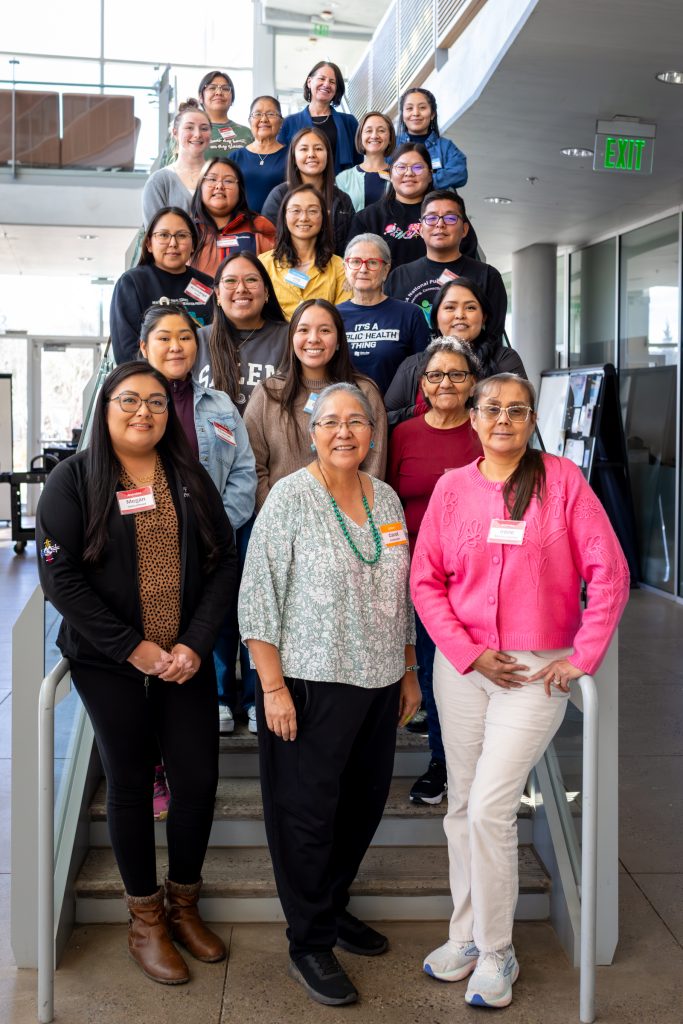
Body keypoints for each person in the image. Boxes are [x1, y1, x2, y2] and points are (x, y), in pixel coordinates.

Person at [411, 373, 630, 1009]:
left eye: (517, 409)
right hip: (465, 668)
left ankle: (499, 950)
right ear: (472, 418)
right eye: (492, 409)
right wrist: (469, 652)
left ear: (532, 419)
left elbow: (609, 574)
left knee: (489, 808)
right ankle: (468, 938)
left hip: (536, 672)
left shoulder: (562, 481)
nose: (503, 419)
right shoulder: (453, 488)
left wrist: (581, 657)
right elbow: (426, 582)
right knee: (460, 809)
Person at [35, 361, 237, 985]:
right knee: (127, 782)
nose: (143, 412)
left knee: (197, 781)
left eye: (154, 401)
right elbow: (59, 576)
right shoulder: (72, 481)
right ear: (105, 406)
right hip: (110, 663)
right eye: (129, 400)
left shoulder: (189, 478)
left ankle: (183, 904)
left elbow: (223, 561)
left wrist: (196, 645)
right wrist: (132, 648)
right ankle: (145, 919)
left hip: (184, 662)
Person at [238, 381, 420, 1007]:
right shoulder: (289, 498)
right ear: (312, 432)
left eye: (357, 422)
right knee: (306, 816)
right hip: (309, 684)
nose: (344, 432)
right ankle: (309, 941)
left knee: (362, 807)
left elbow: (400, 595)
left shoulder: (388, 499)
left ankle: (333, 905)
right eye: (330, 422)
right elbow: (257, 598)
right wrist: (273, 689)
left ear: (373, 432)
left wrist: (408, 668)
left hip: (376, 683)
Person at [138, 301, 256, 740]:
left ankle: (223, 697)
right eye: (164, 338)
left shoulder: (220, 404)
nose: (176, 347)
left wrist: (215, 528)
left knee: (217, 618)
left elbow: (243, 470)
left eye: (185, 337)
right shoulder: (128, 402)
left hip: (212, 541)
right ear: (144, 346)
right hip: (149, 546)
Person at [388, 338, 482, 807]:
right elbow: (383, 499)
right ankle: (441, 762)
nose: (446, 383)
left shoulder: (487, 431)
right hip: (418, 575)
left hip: (477, 578)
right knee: (431, 670)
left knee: (469, 670)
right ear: (422, 383)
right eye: (436, 375)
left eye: (457, 375)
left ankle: (478, 764)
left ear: (473, 384)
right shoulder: (402, 434)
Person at [244, 298, 387, 511]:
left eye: (325, 331)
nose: (313, 339)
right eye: (303, 330)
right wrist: (277, 517)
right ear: (291, 338)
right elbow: (252, 466)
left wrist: (345, 519)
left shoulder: (364, 392)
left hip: (348, 523)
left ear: (339, 340)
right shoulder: (268, 393)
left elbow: (373, 465)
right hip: (282, 523)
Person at [385, 277, 526, 426]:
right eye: (450, 308)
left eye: (470, 308)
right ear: (435, 319)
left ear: (484, 317)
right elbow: (385, 419)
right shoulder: (413, 365)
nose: (460, 315)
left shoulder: (504, 359)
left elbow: (520, 413)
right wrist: (426, 409)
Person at [385, 189, 506, 335]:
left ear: (464, 229)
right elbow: (391, 331)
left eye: (450, 218)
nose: (440, 224)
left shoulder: (487, 276)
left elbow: (493, 336)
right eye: (431, 218)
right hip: (413, 358)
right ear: (421, 229)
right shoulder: (399, 276)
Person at [109, 207, 213, 364]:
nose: (173, 243)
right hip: (149, 384)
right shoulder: (132, 283)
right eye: (164, 235)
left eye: (182, 235)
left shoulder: (208, 284)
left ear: (193, 244)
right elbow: (126, 352)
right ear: (149, 244)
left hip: (201, 380)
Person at [337, 233, 430, 395]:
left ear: (386, 270)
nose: (363, 269)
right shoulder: (333, 316)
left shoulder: (410, 314)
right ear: (345, 268)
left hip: (395, 413)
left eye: (372, 263)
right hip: (344, 413)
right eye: (356, 262)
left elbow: (422, 373)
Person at [195, 251, 288, 407]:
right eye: (230, 281)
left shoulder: (290, 338)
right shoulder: (197, 340)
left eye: (251, 280)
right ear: (217, 294)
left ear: (266, 292)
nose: (241, 289)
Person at [258, 185, 351, 319]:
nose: (304, 218)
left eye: (312, 211)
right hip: (274, 339)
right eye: (296, 210)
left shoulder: (340, 267)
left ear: (324, 217)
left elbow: (342, 319)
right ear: (284, 215)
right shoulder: (263, 264)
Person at [262, 127, 355, 255]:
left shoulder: (343, 200)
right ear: (294, 157)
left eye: (318, 149)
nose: (311, 154)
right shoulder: (279, 196)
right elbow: (268, 244)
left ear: (328, 155)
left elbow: (351, 247)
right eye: (304, 149)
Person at [347, 143, 433, 268]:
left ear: (430, 175)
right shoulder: (368, 218)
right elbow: (354, 264)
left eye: (418, 167)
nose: (409, 173)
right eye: (401, 167)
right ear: (391, 175)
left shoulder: (445, 216)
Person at [189, 157, 275, 277]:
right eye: (212, 179)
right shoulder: (186, 230)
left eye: (228, 181)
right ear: (200, 186)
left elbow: (278, 275)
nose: (219, 186)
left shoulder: (260, 226)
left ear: (240, 190)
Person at [278, 61, 360, 174]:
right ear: (309, 82)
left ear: (336, 89)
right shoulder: (290, 122)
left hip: (341, 188)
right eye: (322, 79)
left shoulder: (349, 122)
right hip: (302, 188)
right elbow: (282, 164)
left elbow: (359, 162)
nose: (326, 84)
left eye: (332, 82)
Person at [142, 101, 211, 227]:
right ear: (175, 133)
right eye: (189, 127)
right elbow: (155, 235)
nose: (197, 134)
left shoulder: (220, 176)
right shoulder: (159, 181)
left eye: (204, 128)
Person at [395, 88, 467, 191]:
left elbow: (460, 173)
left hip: (436, 206)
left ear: (432, 114)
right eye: (409, 108)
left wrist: (423, 181)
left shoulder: (446, 146)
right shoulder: (392, 145)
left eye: (422, 108)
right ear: (402, 115)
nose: (415, 113)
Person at [230, 96, 287, 214]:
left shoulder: (292, 156)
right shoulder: (235, 157)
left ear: (281, 122)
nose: (264, 119)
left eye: (271, 114)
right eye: (257, 114)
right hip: (241, 226)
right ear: (250, 121)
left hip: (279, 225)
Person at [335, 111, 395, 212]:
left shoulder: (399, 175)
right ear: (360, 137)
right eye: (368, 130)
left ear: (390, 138)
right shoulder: (343, 179)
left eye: (381, 130)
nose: (374, 135)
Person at [198, 70, 252, 155]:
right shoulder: (190, 132)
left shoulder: (247, 133)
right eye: (212, 88)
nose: (219, 92)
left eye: (225, 89)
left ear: (232, 99)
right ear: (201, 97)